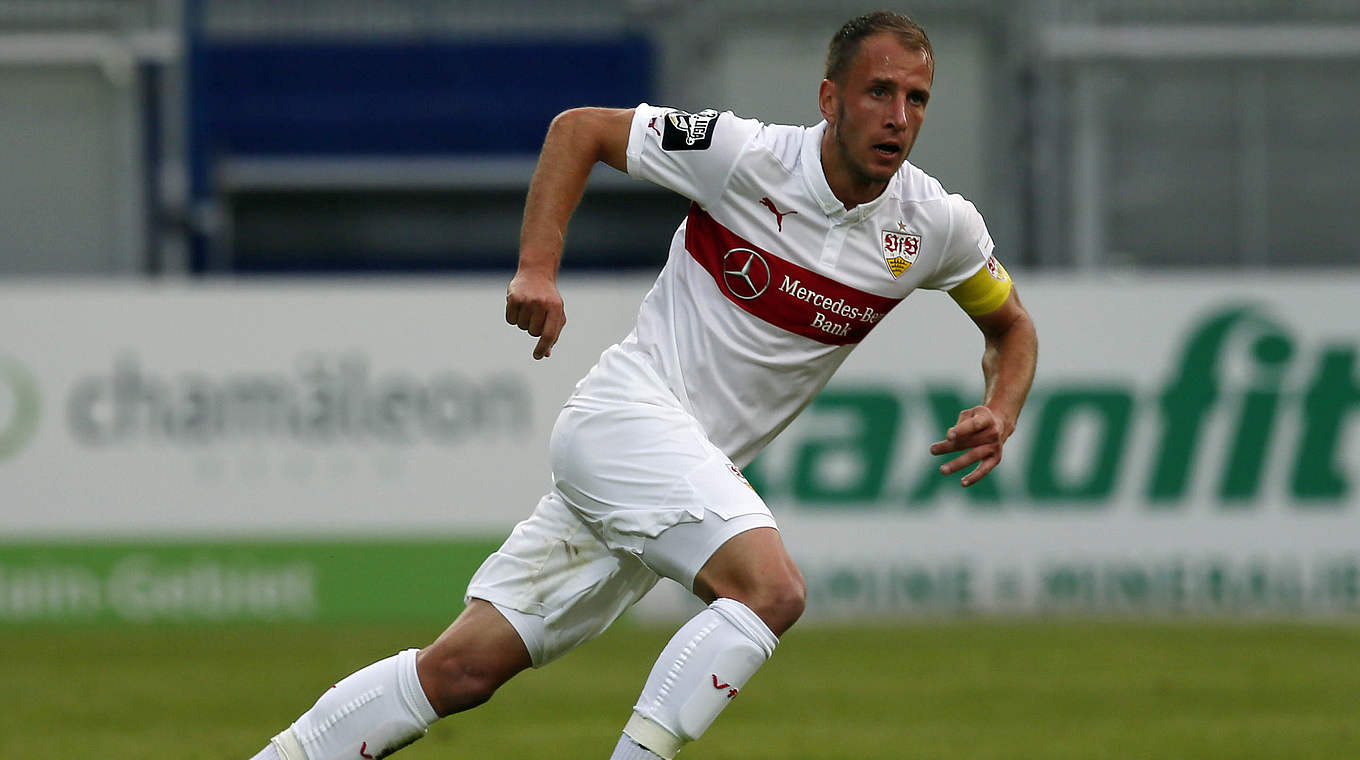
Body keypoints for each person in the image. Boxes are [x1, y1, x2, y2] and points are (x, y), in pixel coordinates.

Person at [249, 10, 1037, 760]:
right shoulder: (744, 155)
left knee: (459, 671)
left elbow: (1012, 328)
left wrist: (1002, 408)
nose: (899, 115)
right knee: (773, 592)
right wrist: (536, 269)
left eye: (917, 98)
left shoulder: (934, 225)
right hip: (627, 420)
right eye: (879, 91)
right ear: (829, 98)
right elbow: (579, 130)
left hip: (672, 474)